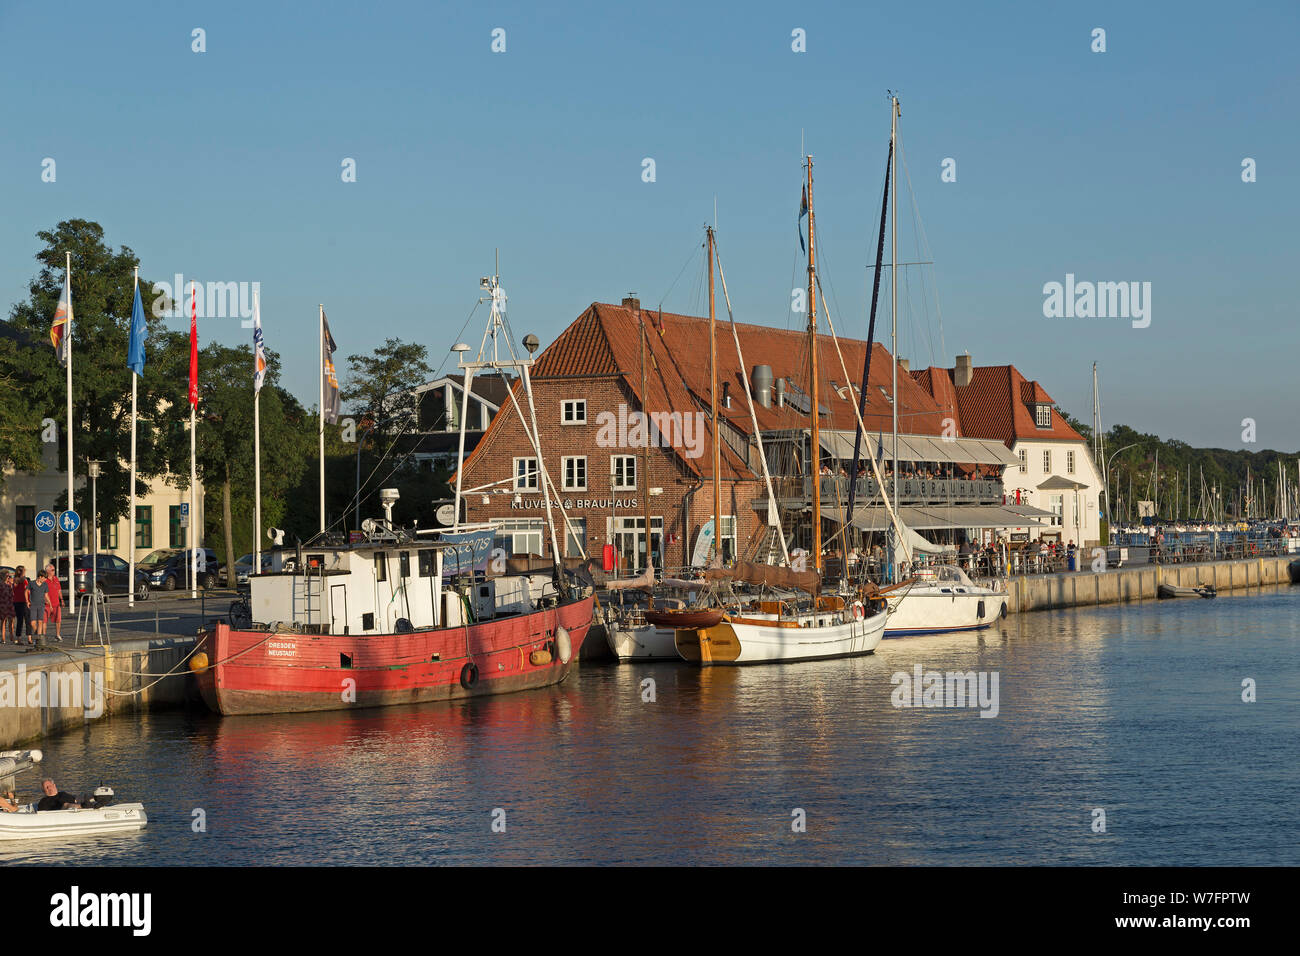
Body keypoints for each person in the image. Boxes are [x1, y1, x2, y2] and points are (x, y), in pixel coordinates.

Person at [44, 562, 63, 642]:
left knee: (58, 620)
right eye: (52, 570)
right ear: (48, 571)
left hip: (56, 604)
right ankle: (43, 636)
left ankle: (57, 635)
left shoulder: (56, 579)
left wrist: (61, 600)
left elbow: (59, 590)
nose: (54, 571)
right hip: (47, 604)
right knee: (44, 621)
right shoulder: (44, 580)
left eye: (54, 570)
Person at [28, 570, 48, 646]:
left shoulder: (45, 584)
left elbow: (46, 595)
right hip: (33, 605)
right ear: (40, 577)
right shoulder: (32, 583)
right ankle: (38, 635)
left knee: (40, 622)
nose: (45, 579)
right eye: (44, 578)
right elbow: (26, 591)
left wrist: (50, 603)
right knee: (32, 623)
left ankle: (38, 639)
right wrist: (27, 601)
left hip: (41, 605)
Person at [12, 566, 29, 645]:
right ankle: (19, 638)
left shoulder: (24, 579)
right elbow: (19, 581)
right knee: (20, 621)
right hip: (18, 602)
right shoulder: (16, 579)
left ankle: (29, 638)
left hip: (25, 602)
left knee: (28, 620)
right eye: (24, 570)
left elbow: (27, 589)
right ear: (20, 571)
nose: (25, 571)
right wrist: (23, 574)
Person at [0, 570, 13, 644]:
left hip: (10, 604)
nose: (9, 577)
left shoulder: (10, 585)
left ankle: (12, 637)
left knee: (11, 621)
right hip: (3, 605)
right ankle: (3, 638)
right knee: (3, 621)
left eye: (9, 576)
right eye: (7, 576)